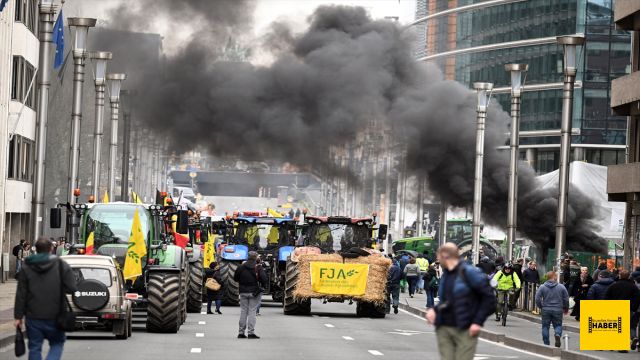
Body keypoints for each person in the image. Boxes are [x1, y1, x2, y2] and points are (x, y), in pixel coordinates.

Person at [426, 243, 495, 360]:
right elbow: (448, 300)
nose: (437, 260)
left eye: (439, 257)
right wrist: (435, 310)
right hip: (444, 327)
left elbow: (490, 299)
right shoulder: (446, 274)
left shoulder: (470, 272)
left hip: (465, 328)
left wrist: (478, 322)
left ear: (445, 255)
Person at [14, 237, 77, 360]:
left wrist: (18, 317)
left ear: (36, 249)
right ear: (51, 249)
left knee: (34, 347)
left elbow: (21, 294)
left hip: (33, 315)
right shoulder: (61, 265)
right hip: (56, 314)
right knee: (57, 343)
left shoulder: (26, 267)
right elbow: (72, 288)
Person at [233, 251, 267, 339]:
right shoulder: (258, 267)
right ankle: (251, 332)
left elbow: (235, 278)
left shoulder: (241, 267)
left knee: (243, 311)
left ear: (247, 257)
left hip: (243, 291)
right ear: (256, 258)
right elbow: (264, 279)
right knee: (252, 311)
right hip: (254, 292)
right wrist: (263, 286)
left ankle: (241, 332)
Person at [605, 270, 640, 350]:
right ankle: (626, 344)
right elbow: (637, 298)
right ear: (628, 276)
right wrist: (633, 307)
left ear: (620, 276)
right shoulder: (633, 286)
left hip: (615, 307)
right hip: (628, 308)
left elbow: (607, 297)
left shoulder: (614, 285)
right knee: (627, 326)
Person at [535, 271, 569, 348]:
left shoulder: (542, 287)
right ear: (554, 277)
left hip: (546, 309)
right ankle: (557, 334)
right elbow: (566, 299)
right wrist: (565, 308)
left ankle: (546, 344)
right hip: (558, 309)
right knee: (558, 325)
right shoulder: (561, 287)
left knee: (545, 327)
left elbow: (537, 298)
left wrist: (541, 306)